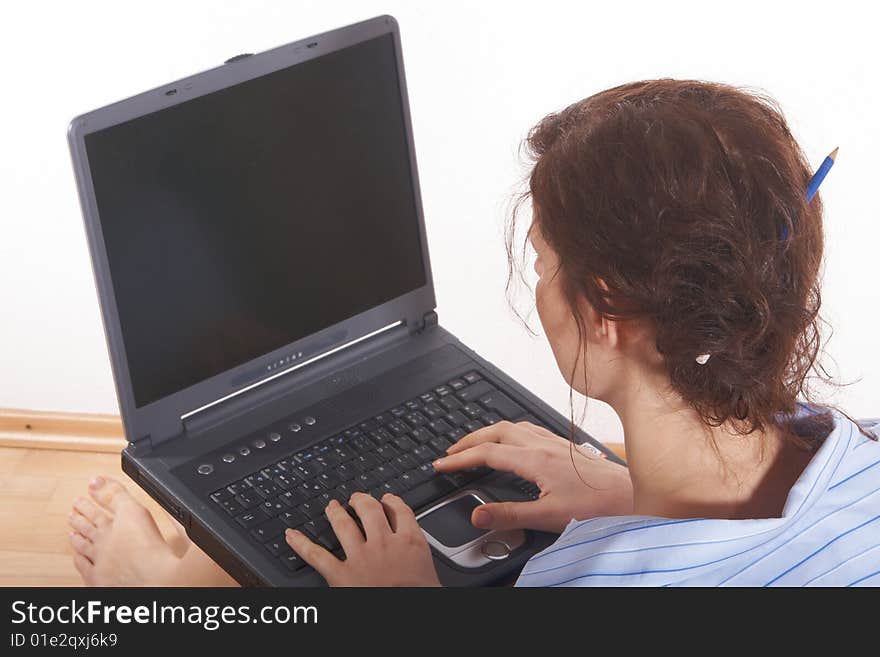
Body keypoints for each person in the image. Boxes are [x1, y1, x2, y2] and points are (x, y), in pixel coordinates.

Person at [67, 79, 880, 587]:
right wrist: (636, 498)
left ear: (600, 309)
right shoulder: (861, 451)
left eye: (542, 259)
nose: (537, 281)